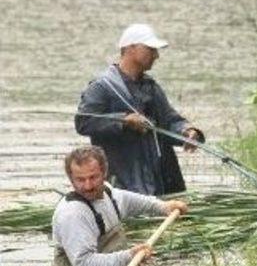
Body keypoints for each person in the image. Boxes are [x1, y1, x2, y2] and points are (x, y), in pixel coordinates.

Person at [48, 145, 188, 266]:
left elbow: (128, 201)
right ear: (71, 179)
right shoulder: (73, 214)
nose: (88, 185)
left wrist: (162, 206)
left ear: (104, 172)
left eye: (93, 177)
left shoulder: (107, 193)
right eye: (80, 180)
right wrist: (130, 256)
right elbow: (85, 265)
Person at [75, 23, 204, 195]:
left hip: (162, 180)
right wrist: (123, 121)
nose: (156, 55)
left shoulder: (151, 87)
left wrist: (186, 131)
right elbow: (84, 122)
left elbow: (169, 121)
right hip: (124, 182)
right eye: (151, 49)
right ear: (130, 48)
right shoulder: (102, 87)